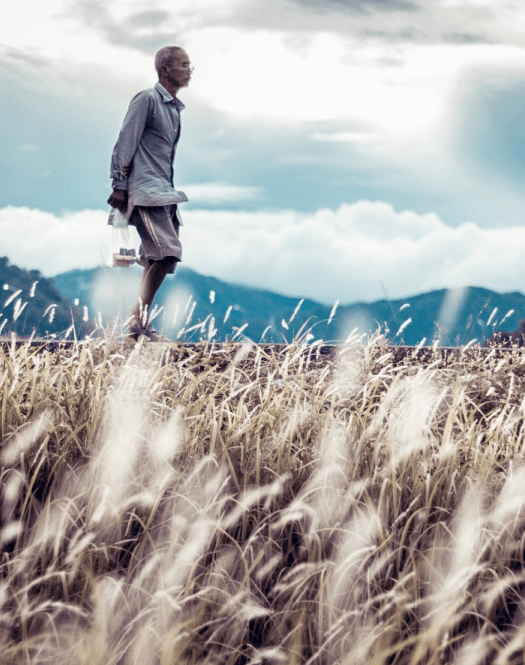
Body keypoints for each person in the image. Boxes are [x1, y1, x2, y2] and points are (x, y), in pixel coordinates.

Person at [107, 45, 193, 342]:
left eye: (190, 65)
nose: (189, 70)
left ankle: (138, 325)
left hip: (164, 192)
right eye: (184, 64)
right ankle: (135, 321)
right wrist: (119, 184)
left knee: (163, 259)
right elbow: (125, 141)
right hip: (144, 191)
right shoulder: (147, 100)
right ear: (165, 69)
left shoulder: (174, 110)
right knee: (168, 252)